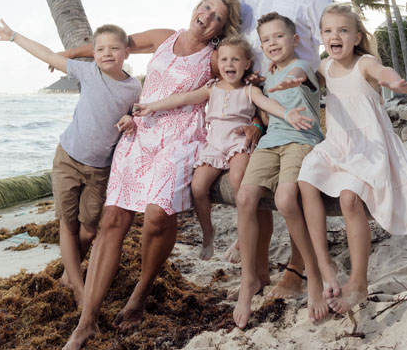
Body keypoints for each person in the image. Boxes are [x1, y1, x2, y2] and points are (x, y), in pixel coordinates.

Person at [59, 0, 241, 350]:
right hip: (139, 129)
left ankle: (140, 293)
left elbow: (238, 77)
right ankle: (87, 321)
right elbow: (117, 43)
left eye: (217, 16)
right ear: (196, 7)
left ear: (221, 28)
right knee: (113, 220)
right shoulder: (164, 38)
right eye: (205, 7)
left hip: (180, 137)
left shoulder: (212, 57)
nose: (207, 16)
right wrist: (69, 55)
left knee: (157, 217)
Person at [0, 20, 141, 307]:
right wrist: (13, 36)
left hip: (100, 169)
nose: (106, 53)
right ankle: (78, 288)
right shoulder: (88, 71)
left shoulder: (134, 88)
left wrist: (133, 119)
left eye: (113, 48)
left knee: (88, 230)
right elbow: (48, 55)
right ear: (93, 53)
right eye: (100, 49)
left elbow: (141, 114)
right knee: (69, 225)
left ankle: (67, 276)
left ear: (127, 53)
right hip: (68, 159)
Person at [134, 34, 312, 262]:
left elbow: (267, 104)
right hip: (215, 144)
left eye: (236, 60)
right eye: (225, 60)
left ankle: (242, 234)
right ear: (217, 64)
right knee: (198, 186)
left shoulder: (250, 90)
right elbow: (182, 98)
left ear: (247, 64)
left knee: (238, 178)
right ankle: (208, 233)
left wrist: (287, 113)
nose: (229, 64)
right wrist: (151, 106)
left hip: (238, 142)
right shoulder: (211, 88)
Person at [298, 4, 407, 314]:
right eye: (328, 31)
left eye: (342, 30)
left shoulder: (364, 63)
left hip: (369, 145)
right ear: (321, 38)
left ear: (356, 37)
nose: (334, 36)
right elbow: (305, 73)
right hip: (338, 144)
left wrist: (395, 83)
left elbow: (382, 73)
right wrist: (294, 77)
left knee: (349, 198)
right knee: (305, 178)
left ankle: (358, 281)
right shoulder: (325, 67)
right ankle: (323, 261)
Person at [230, 0, 331, 297]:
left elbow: (332, 39)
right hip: (258, 108)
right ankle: (256, 273)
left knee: (292, 189)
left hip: (298, 104)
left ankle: (298, 268)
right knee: (251, 188)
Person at [233, 13, 328, 328]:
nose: (272, 43)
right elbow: (260, 96)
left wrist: (268, 93)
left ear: (295, 40)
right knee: (245, 196)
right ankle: (249, 279)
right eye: (266, 40)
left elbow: (292, 81)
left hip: (302, 141)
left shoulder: (303, 69)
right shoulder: (267, 76)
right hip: (271, 142)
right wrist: (261, 90)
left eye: (279, 36)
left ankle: (311, 276)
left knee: (287, 200)